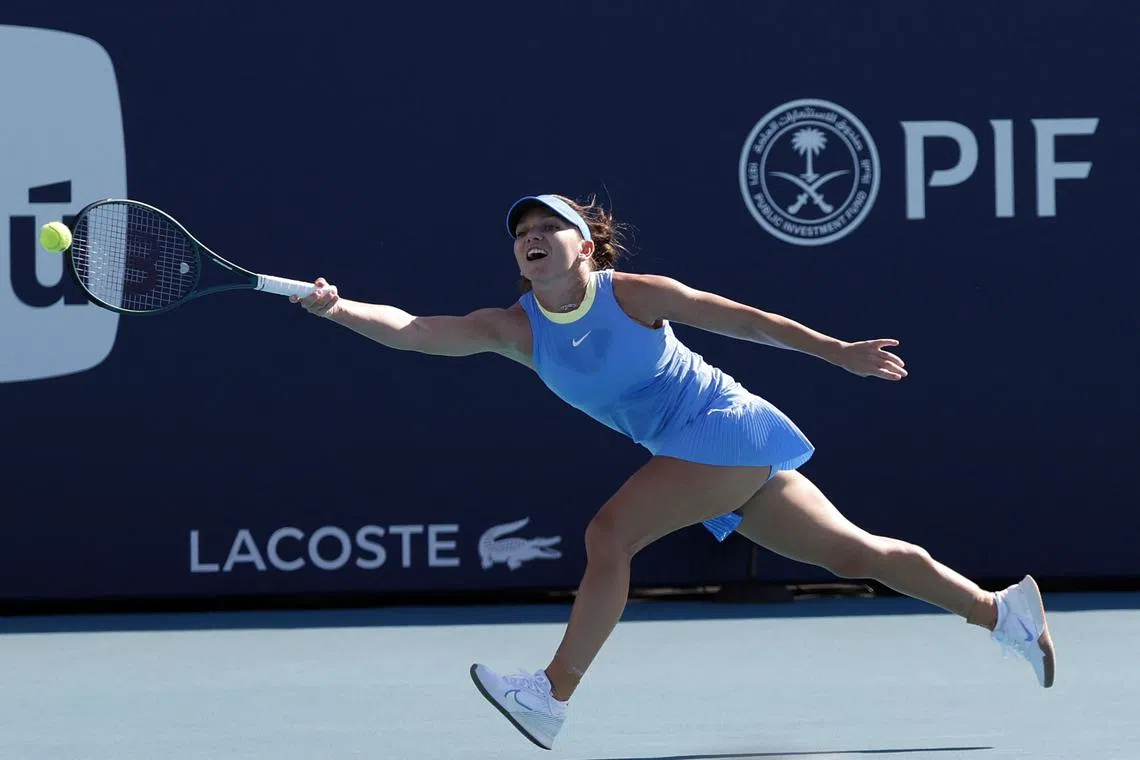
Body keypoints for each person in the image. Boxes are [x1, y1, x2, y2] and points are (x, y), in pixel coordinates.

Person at [293, 193, 1056, 750]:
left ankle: (550, 695)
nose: (532, 238)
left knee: (610, 536)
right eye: (522, 233)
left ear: (586, 246)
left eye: (548, 227)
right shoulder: (515, 329)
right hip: (697, 449)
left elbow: (745, 320)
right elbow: (416, 330)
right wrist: (337, 309)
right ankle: (1002, 613)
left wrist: (838, 352)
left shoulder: (633, 295)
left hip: (724, 424)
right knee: (854, 553)